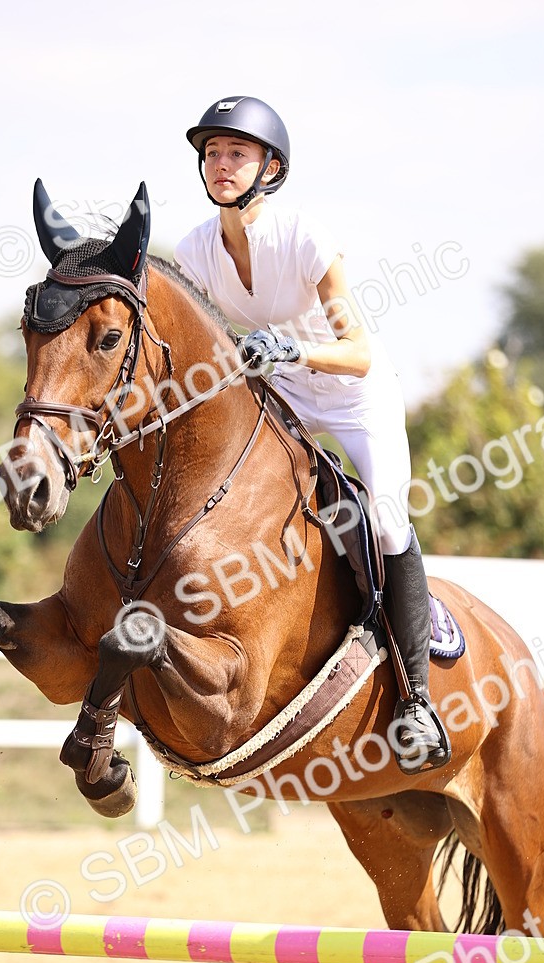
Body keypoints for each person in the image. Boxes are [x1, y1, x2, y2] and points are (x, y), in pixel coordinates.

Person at [174, 95, 448, 772]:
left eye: (236, 153)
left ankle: (417, 700)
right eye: (212, 153)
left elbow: (356, 350)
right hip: (282, 389)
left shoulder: (305, 237)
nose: (221, 164)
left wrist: (292, 351)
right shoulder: (193, 251)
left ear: (270, 166)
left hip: (353, 393)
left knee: (384, 520)